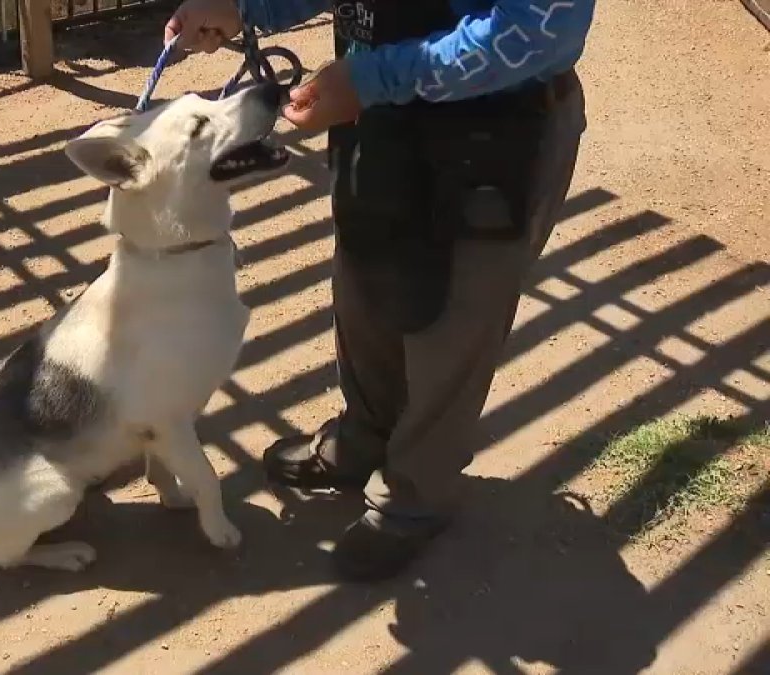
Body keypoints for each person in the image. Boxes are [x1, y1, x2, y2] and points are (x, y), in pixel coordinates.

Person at [164, 0, 596, 582]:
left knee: (452, 321)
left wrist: (373, 78)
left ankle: (418, 491)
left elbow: (537, 31)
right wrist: (247, 7)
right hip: (380, 115)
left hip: (493, 128)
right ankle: (365, 440)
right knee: (366, 282)